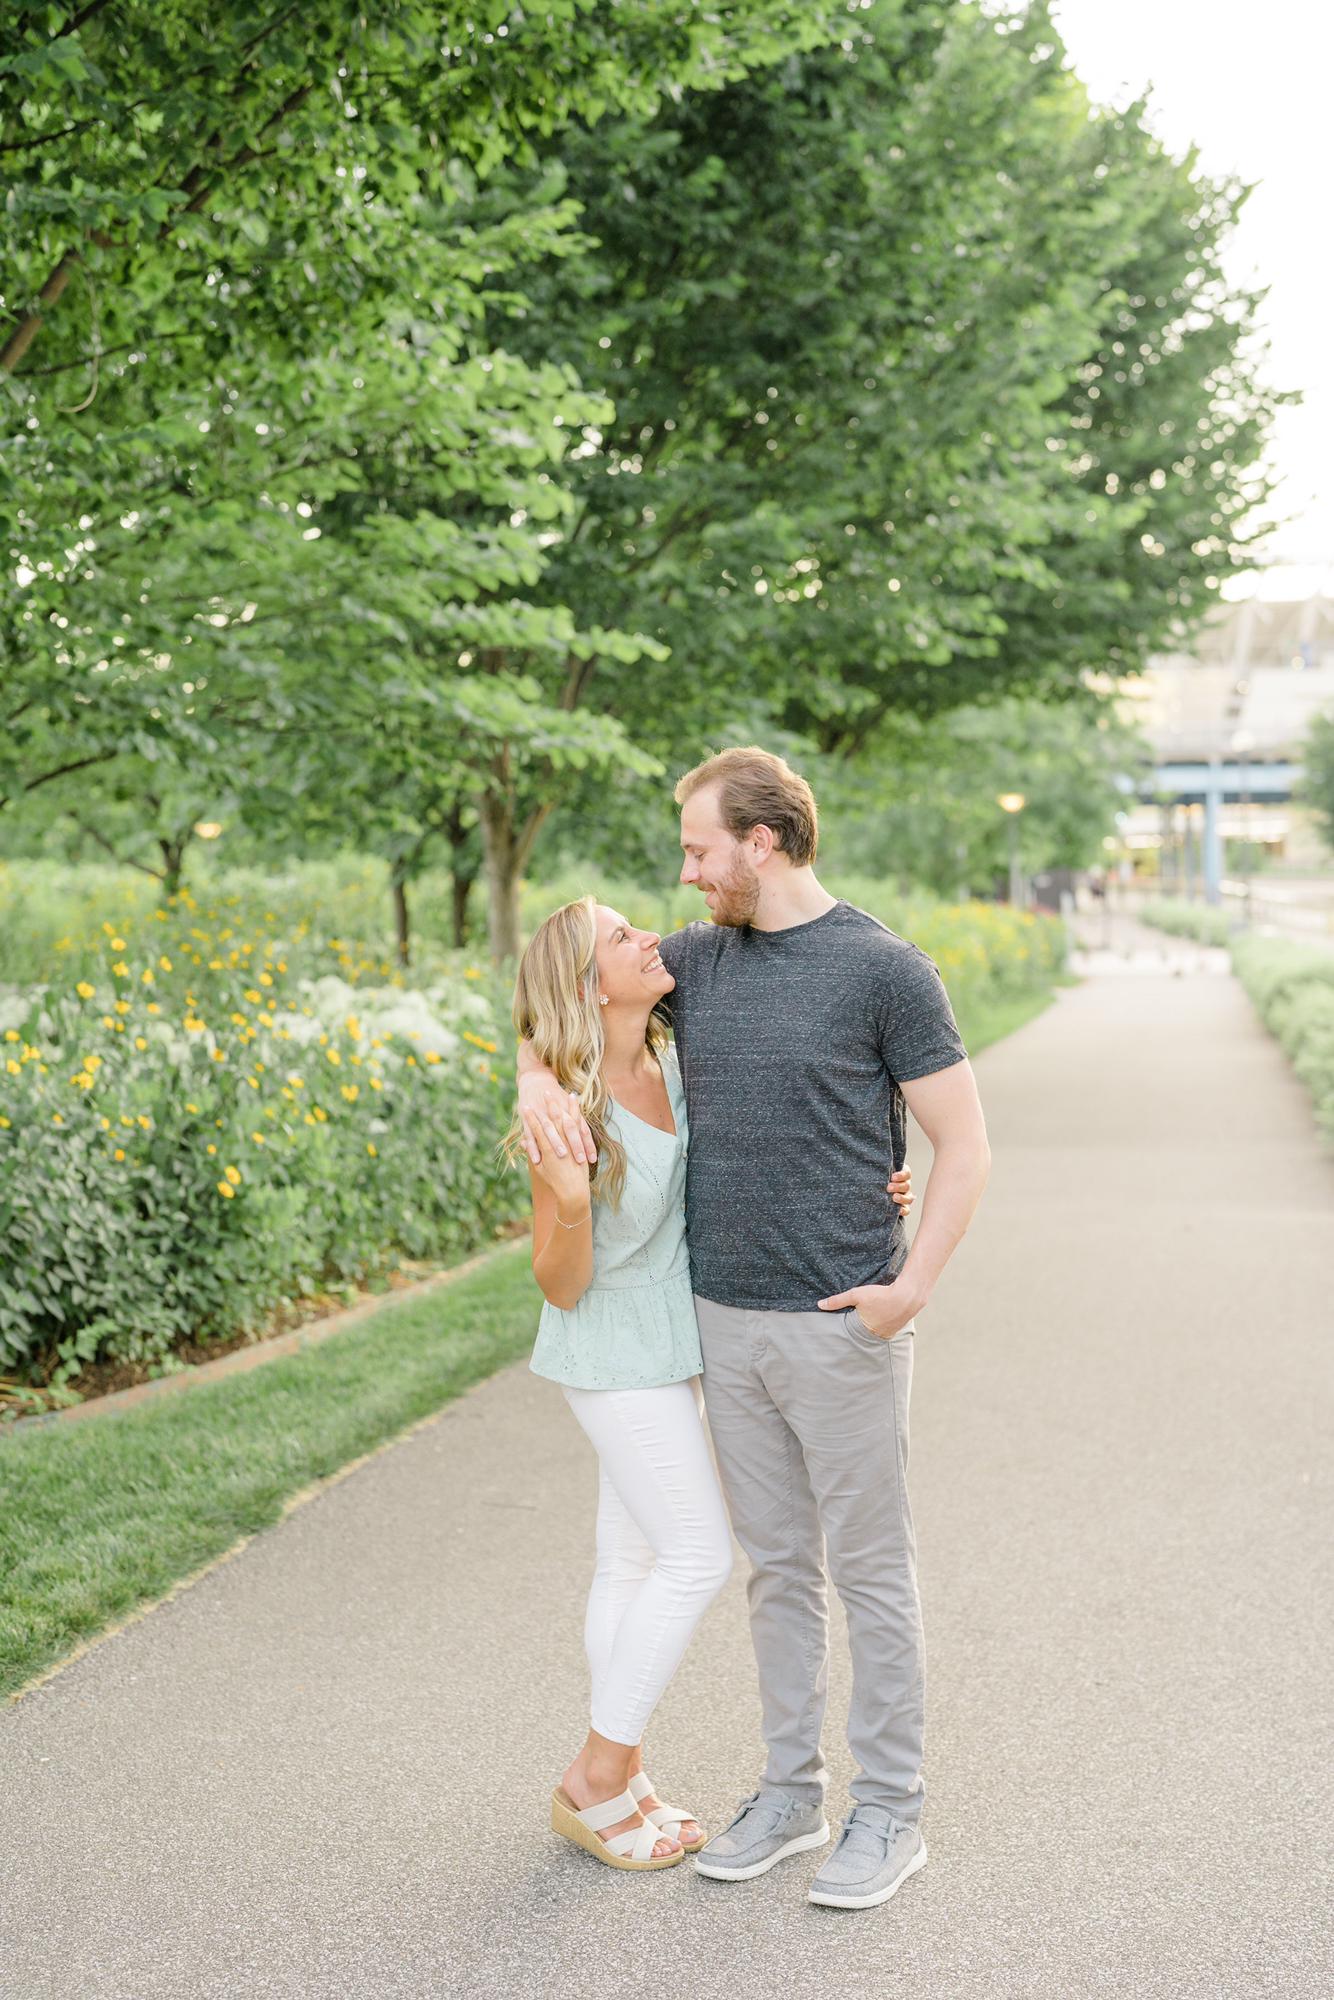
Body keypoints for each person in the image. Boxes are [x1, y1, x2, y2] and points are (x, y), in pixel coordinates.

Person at [519, 746, 990, 1910]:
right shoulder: (692, 963)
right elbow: (562, 993)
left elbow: (964, 1144)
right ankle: (790, 1793)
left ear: (760, 840)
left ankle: (890, 1812)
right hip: (718, 1327)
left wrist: (910, 1285)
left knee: (868, 1571)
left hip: (842, 1323)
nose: (685, 874)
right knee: (775, 1570)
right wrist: (531, 1078)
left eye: (698, 849)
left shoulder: (884, 970)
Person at [508, 893, 915, 1872]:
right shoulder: (567, 1112)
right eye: (620, 937)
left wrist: (872, 1179)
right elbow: (558, 1284)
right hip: (613, 1357)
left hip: (671, 1340)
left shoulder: (665, 1049)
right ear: (588, 986)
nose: (647, 935)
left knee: (627, 1563)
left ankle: (627, 1777)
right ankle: (594, 1775)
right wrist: (566, 1198)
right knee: (695, 1555)